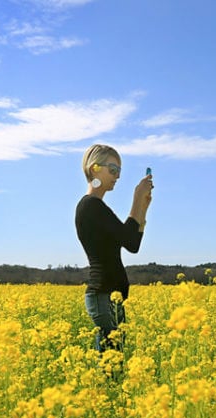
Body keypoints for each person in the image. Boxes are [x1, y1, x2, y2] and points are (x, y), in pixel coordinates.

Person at [75, 143, 153, 352]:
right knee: (112, 365)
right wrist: (137, 197)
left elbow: (132, 245)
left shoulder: (97, 207)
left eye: (119, 171)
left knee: (110, 364)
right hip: (103, 296)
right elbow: (129, 237)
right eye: (113, 170)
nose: (117, 176)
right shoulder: (91, 207)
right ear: (95, 169)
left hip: (110, 297)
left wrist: (143, 206)